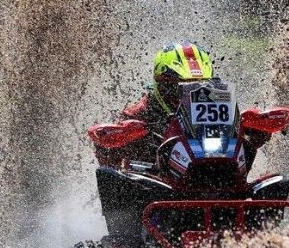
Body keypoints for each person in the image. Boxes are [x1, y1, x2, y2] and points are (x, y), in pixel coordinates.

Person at [95, 41, 271, 170]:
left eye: (199, 85)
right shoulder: (138, 113)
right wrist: (119, 137)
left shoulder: (215, 104)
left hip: (212, 175)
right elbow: (108, 159)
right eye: (178, 87)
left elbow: (248, 136)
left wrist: (256, 127)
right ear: (160, 84)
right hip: (155, 188)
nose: (188, 94)